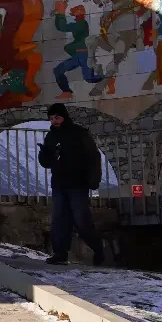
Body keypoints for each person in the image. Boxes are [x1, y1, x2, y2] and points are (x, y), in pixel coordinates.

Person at [37, 103, 106, 266]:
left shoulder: (79, 134)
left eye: (57, 117)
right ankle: (60, 254)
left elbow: (93, 157)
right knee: (60, 220)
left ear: (64, 117)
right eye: (51, 118)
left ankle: (98, 249)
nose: (54, 121)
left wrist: (94, 180)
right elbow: (47, 163)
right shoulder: (51, 137)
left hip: (78, 183)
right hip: (59, 184)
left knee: (81, 221)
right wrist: (44, 155)